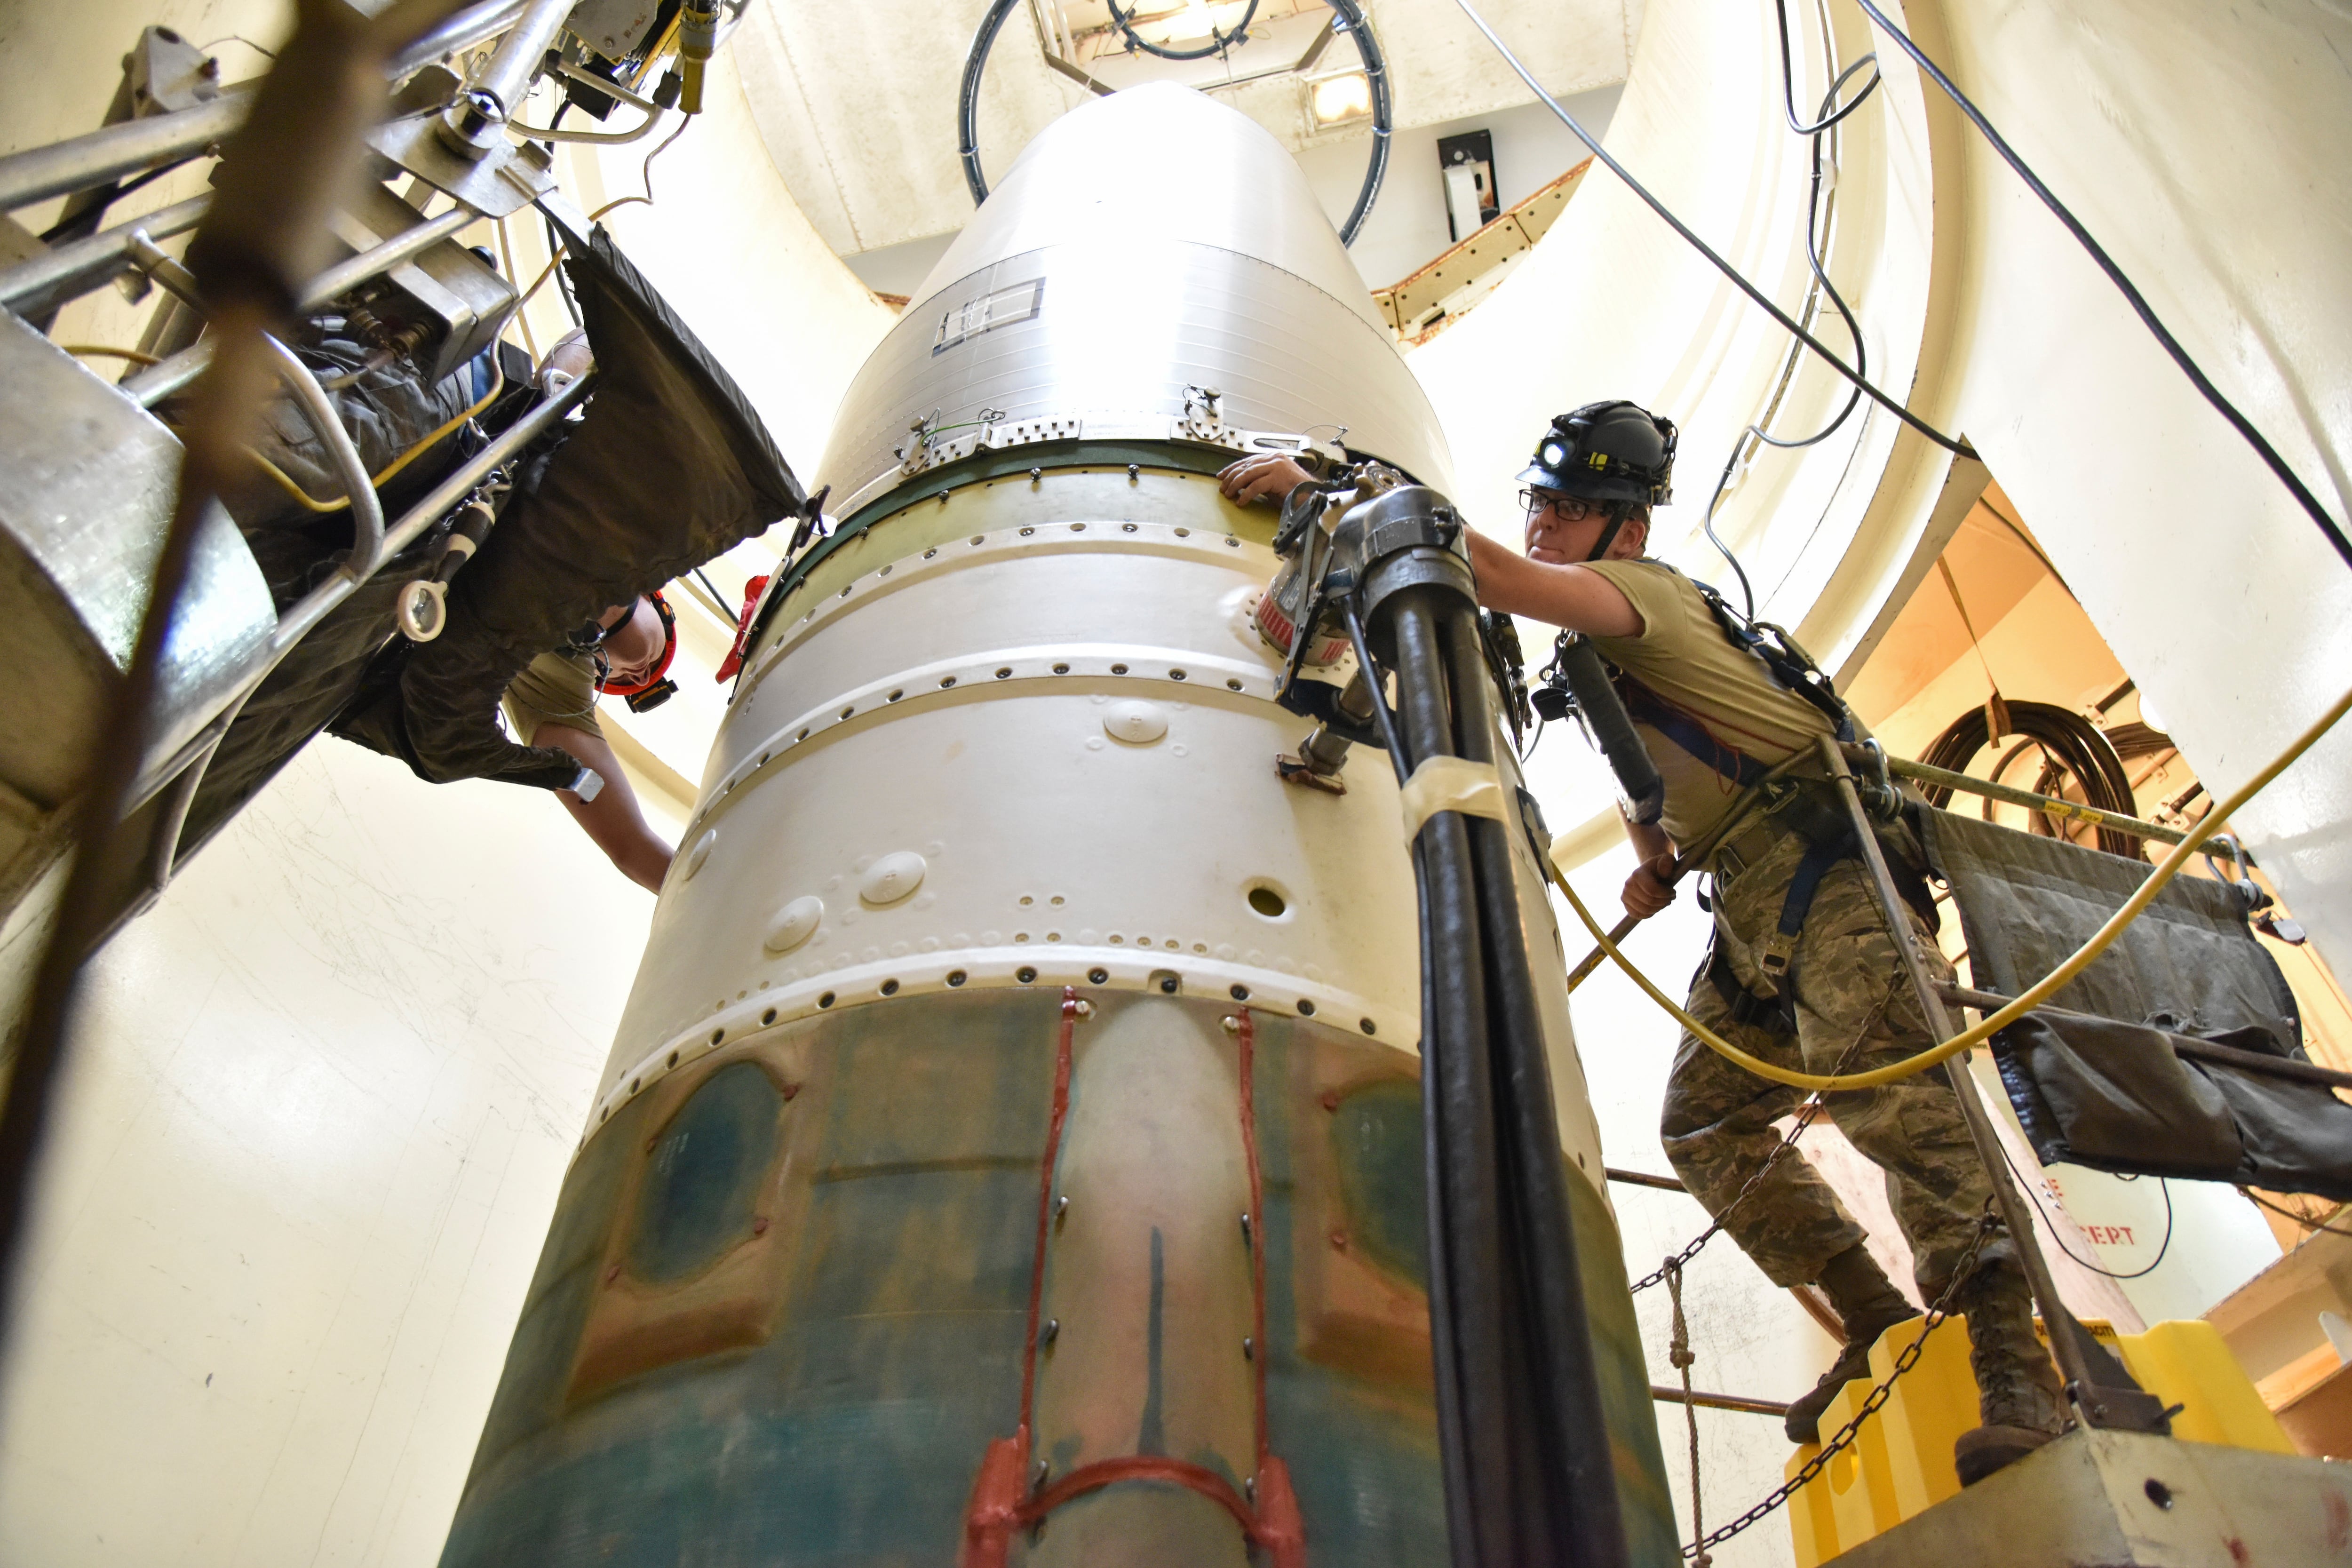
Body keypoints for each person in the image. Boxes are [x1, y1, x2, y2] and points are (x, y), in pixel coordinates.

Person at [1217, 405, 2067, 1487]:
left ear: (1626, 529)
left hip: (1831, 876)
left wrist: (1324, 491)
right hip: (1752, 897)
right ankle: (1878, 1319)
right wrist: (1652, 855)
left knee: (1908, 1120)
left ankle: (2020, 1381)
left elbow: (1480, 573)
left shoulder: (1648, 595)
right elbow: (1643, 763)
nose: (1543, 524)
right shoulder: (1594, 652)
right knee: (1706, 1122)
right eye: (1539, 502)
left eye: (1570, 510)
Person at [502, 594, 676, 893]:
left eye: (611, 673)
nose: (642, 676)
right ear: (656, 600)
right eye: (660, 657)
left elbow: (632, 846)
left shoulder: (553, 692)